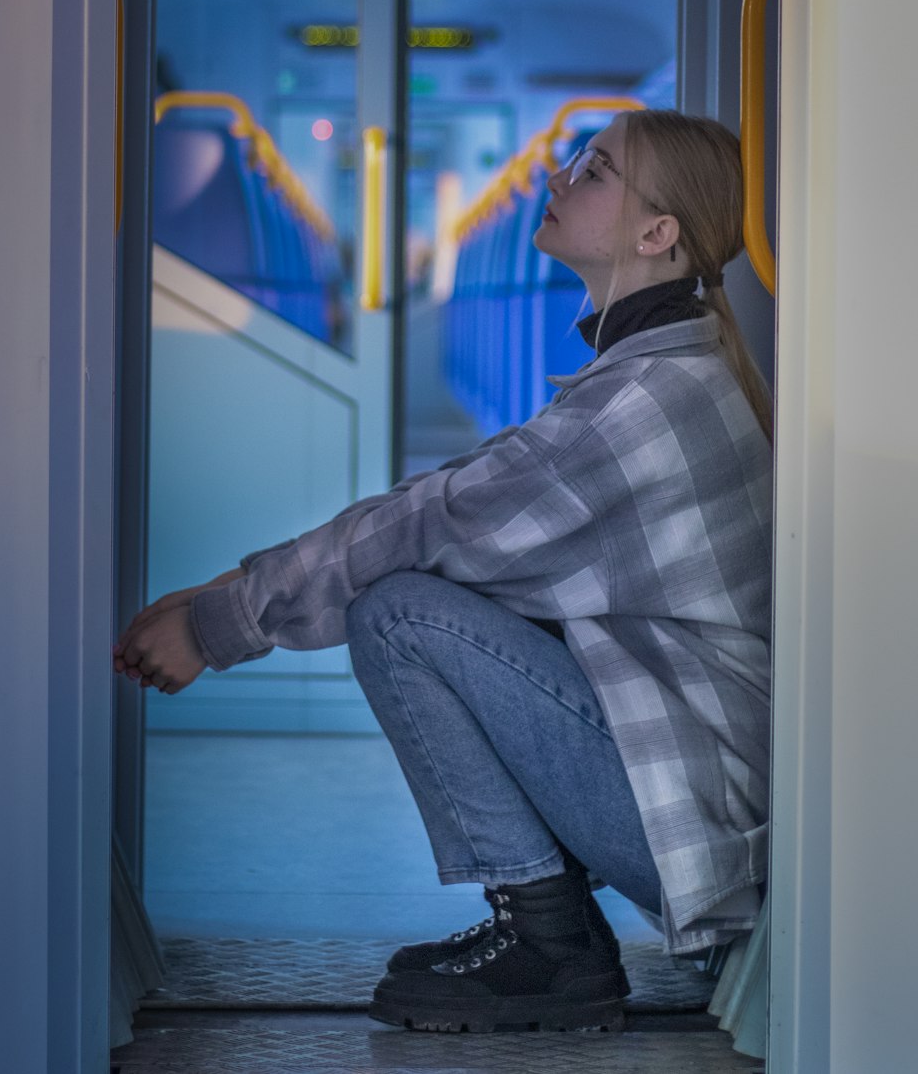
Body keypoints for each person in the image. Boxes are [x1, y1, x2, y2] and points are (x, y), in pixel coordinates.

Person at [114, 109, 773, 1035]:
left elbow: (438, 520)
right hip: (694, 801)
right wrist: (228, 590)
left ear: (657, 233)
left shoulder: (646, 403)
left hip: (694, 832)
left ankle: (548, 943)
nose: (557, 181)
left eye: (592, 172)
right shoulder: (658, 369)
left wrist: (222, 625)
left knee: (402, 613)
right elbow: (462, 494)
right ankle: (549, 930)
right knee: (429, 580)